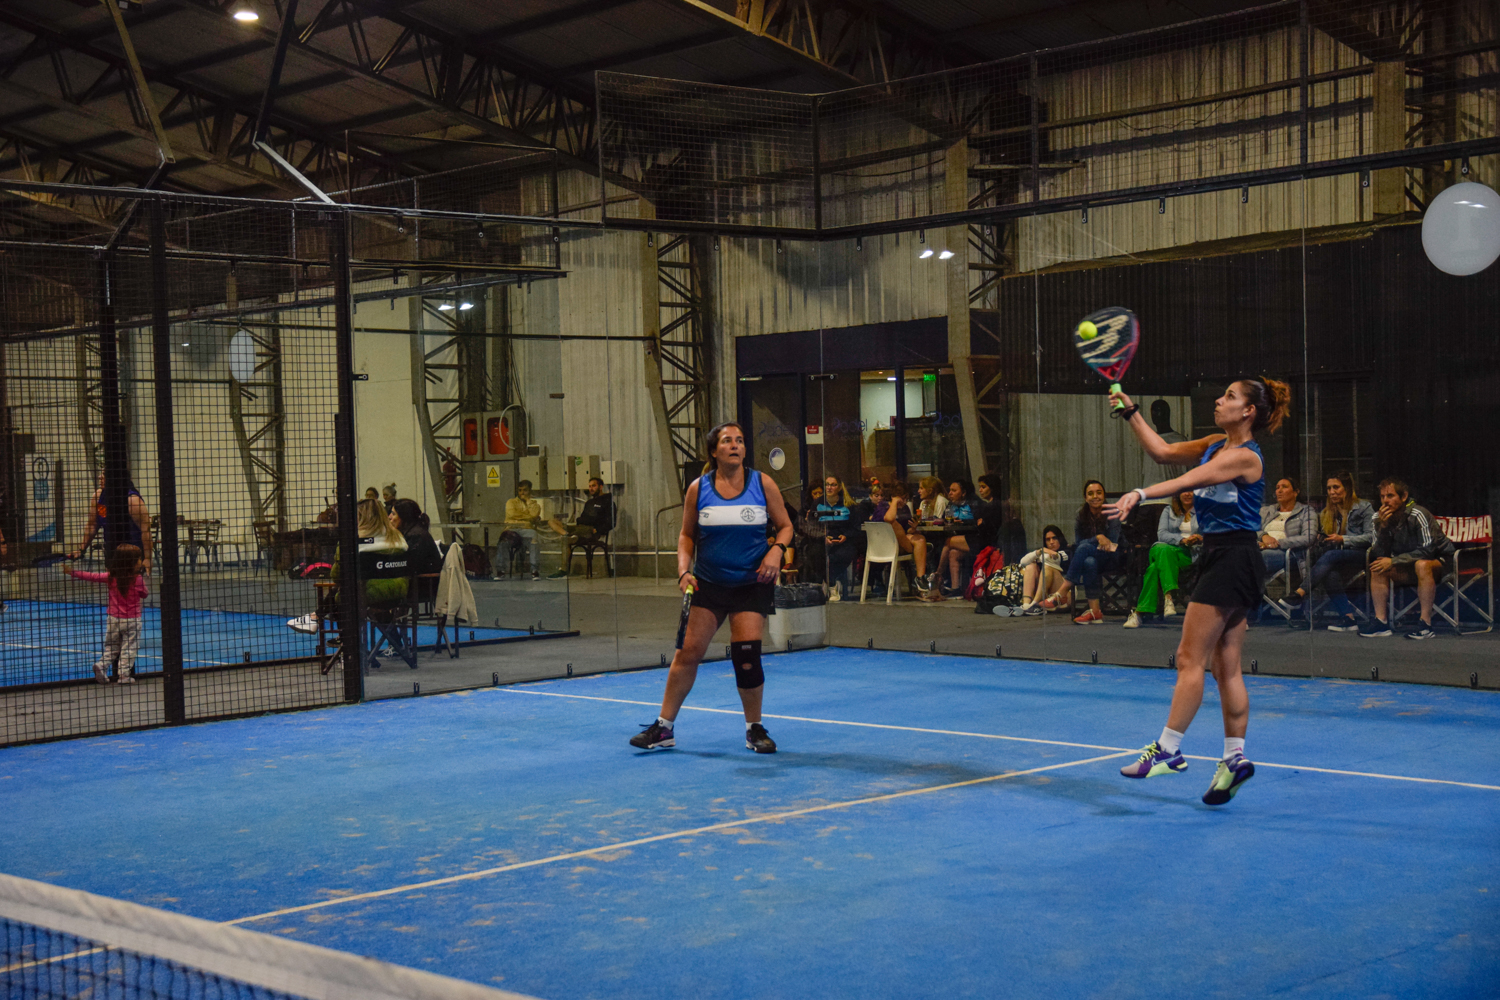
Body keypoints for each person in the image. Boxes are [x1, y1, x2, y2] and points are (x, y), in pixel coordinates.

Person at [1105, 376, 1293, 806]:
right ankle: (1234, 758)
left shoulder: (1244, 457)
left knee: (1190, 658)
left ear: (1248, 411)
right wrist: (1131, 412)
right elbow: (1163, 452)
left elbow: (1189, 479)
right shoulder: (1214, 444)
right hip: (1225, 557)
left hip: (1232, 558)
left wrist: (1139, 493)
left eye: (1230, 396)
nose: (1219, 401)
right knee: (1226, 665)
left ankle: (1168, 750)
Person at [630, 421, 793, 755]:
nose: (735, 445)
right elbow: (686, 535)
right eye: (727, 441)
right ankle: (664, 728)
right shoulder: (698, 488)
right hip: (709, 584)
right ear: (714, 451)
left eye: (740, 440)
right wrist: (683, 571)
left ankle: (754, 729)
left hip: (751, 584)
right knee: (687, 653)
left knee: (746, 656)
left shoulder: (762, 483)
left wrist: (776, 550)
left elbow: (786, 526)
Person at [1359, 478, 1454, 640]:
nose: (1385, 501)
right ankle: (1381, 622)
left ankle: (1425, 625)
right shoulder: (1377, 518)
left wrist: (1394, 561)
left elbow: (1427, 550)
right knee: (1378, 566)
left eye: (1390, 496)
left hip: (1439, 563)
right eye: (1382, 497)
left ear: (1403, 497)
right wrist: (1383, 528)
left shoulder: (1418, 514)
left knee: (1422, 565)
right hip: (1408, 564)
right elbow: (1379, 553)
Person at [1282, 471, 1374, 631]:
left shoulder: (1364, 507)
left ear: (1347, 488)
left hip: (1360, 555)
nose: (1332, 492)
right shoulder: (1327, 512)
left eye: (1336, 487)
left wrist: (1343, 539)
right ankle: (1348, 619)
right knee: (1329, 572)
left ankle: (1300, 593)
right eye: (1329, 488)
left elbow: (1371, 537)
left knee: (1330, 556)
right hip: (1335, 558)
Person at [1039, 480, 1123, 624]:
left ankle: (1062, 592)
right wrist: (1097, 538)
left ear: (1104, 495)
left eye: (1099, 493)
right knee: (1089, 561)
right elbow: (1078, 543)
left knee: (1084, 549)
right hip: (1091, 556)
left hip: (1113, 557)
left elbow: (1112, 544)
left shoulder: (1113, 513)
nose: (1095, 496)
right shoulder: (1080, 514)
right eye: (1090, 493)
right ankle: (1095, 612)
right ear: (1085, 497)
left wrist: (1093, 542)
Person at [65, 543, 148, 684]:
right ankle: (124, 675)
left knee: (112, 647)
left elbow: (92, 576)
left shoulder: (111, 577)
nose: (140, 561)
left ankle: (102, 664)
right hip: (132, 620)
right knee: (129, 647)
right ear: (132, 563)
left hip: (113, 619)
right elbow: (144, 594)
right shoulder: (137, 579)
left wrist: (72, 572)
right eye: (138, 559)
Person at [1124, 490, 1202, 628]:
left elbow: (1211, 533)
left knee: (1154, 568)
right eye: (1184, 491)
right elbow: (1162, 534)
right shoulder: (1168, 511)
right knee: (1162, 548)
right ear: (1178, 494)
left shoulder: (1203, 512)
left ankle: (1139, 613)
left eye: (1191, 491)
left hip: (1188, 554)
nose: (1187, 494)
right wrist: (1182, 540)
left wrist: (1199, 538)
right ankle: (1168, 597)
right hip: (1166, 549)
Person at [70, 473, 153, 572]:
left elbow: (145, 530)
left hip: (132, 553)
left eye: (105, 474)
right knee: (111, 579)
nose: (100, 477)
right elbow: (92, 525)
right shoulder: (99, 497)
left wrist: (147, 558)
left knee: (130, 580)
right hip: (111, 549)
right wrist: (81, 550)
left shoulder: (132, 500)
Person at [1258, 477, 1317, 599]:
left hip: (1288, 553)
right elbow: (1251, 529)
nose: (1279, 491)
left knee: (1253, 560)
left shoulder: (1306, 511)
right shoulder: (1266, 511)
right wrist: (1264, 536)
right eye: (1277, 488)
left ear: (1296, 492)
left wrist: (1277, 543)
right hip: (1260, 548)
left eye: (1284, 487)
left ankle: (1256, 603)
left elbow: (1309, 538)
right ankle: (1259, 600)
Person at [547, 476, 615, 579]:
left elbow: (611, 522)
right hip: (579, 528)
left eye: (594, 486)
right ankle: (567, 534)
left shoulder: (608, 502)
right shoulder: (589, 503)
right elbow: (582, 519)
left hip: (591, 531)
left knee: (565, 540)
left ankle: (563, 570)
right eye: (590, 486)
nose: (591, 488)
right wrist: (581, 521)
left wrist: (598, 530)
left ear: (601, 487)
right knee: (552, 522)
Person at [929, 479, 978, 599]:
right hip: (960, 539)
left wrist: (964, 522)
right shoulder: (951, 505)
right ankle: (956, 589)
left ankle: (938, 574)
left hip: (975, 538)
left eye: (954, 490)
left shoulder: (974, 503)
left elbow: (979, 522)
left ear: (964, 492)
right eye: (949, 490)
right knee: (953, 553)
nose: (950, 493)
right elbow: (946, 519)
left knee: (948, 542)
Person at [883, 481, 931, 594]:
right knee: (895, 525)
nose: (904, 502)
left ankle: (920, 579)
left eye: (906, 499)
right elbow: (889, 519)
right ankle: (916, 551)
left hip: (901, 543)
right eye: (902, 498)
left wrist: (913, 528)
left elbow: (907, 531)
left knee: (920, 539)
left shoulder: (905, 508)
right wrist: (894, 502)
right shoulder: (883, 506)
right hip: (885, 544)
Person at [817, 474, 858, 602]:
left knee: (840, 556)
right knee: (815, 555)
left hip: (844, 540)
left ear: (839, 487)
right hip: (822, 539)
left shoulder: (848, 505)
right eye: (827, 485)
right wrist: (823, 537)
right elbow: (811, 525)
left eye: (833, 485)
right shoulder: (818, 503)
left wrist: (846, 536)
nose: (829, 487)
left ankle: (831, 584)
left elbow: (855, 527)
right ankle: (830, 583)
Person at [1017, 525, 1069, 614]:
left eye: (1054, 538)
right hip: (1047, 594)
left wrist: (1041, 552)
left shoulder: (1067, 551)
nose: (1051, 542)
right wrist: (1040, 551)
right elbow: (1023, 562)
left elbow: (1051, 559)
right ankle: (1026, 605)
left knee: (1047, 568)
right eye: (1048, 539)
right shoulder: (1044, 552)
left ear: (1060, 539)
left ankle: (1034, 604)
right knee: (1031, 566)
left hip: (1064, 595)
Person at [501, 479, 543, 581]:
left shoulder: (535, 505)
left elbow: (534, 514)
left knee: (534, 537)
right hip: (512, 529)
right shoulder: (511, 502)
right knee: (503, 540)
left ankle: (534, 570)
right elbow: (512, 514)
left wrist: (528, 504)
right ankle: (500, 570)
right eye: (520, 490)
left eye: (525, 490)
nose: (522, 493)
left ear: (530, 491)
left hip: (527, 530)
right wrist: (529, 517)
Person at [390, 498, 442, 575]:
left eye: (393, 514)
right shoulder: (413, 532)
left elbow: (410, 566)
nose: (389, 517)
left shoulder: (416, 536)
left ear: (404, 517)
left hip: (423, 581)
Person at [799, 484, 826, 584]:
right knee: (814, 553)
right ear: (811, 495)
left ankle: (830, 583)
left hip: (827, 538)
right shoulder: (805, 508)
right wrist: (807, 520)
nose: (818, 496)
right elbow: (799, 527)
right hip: (812, 539)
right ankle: (815, 583)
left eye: (820, 493)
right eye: (815, 493)